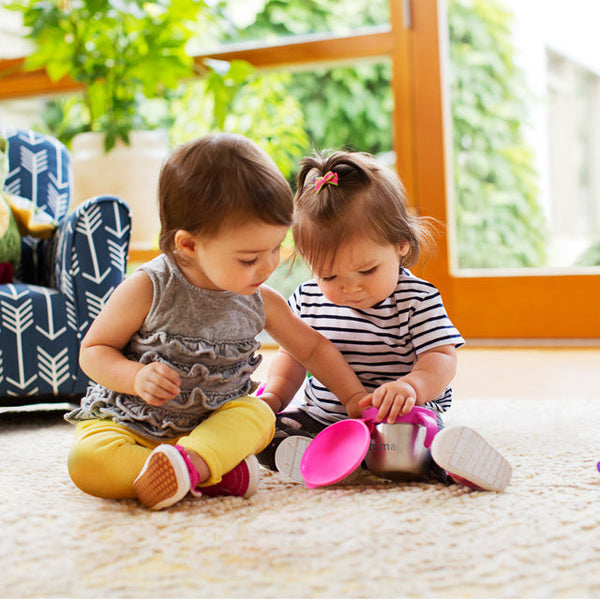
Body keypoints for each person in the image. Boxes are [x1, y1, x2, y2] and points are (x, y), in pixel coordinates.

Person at [65, 134, 368, 510]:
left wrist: (354, 396)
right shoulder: (148, 288)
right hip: (131, 424)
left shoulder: (259, 300)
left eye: (276, 248)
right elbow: (93, 351)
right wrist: (135, 377)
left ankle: (194, 463)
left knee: (258, 414)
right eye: (248, 258)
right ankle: (211, 476)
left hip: (209, 428)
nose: (268, 266)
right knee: (86, 462)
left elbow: (312, 347)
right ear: (188, 245)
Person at [257, 150, 512, 492]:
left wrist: (412, 386)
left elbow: (441, 358)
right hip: (326, 420)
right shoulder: (306, 300)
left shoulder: (416, 299)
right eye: (329, 276)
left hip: (395, 421)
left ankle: (450, 464)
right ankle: (325, 456)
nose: (351, 288)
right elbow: (292, 358)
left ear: (401, 244)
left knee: (409, 445)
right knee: (271, 432)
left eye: (367, 270)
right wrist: (274, 396)